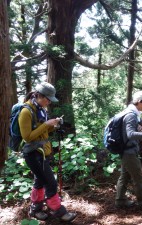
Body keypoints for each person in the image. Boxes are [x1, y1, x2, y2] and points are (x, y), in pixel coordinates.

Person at [19, 82, 77, 222]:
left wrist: (53, 125)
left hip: (42, 152)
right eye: (48, 99)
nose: (50, 102)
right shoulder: (26, 111)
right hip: (32, 154)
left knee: (39, 181)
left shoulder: (41, 110)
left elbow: (42, 131)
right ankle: (59, 211)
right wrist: (46, 124)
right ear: (40, 96)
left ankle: (35, 209)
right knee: (50, 183)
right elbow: (27, 137)